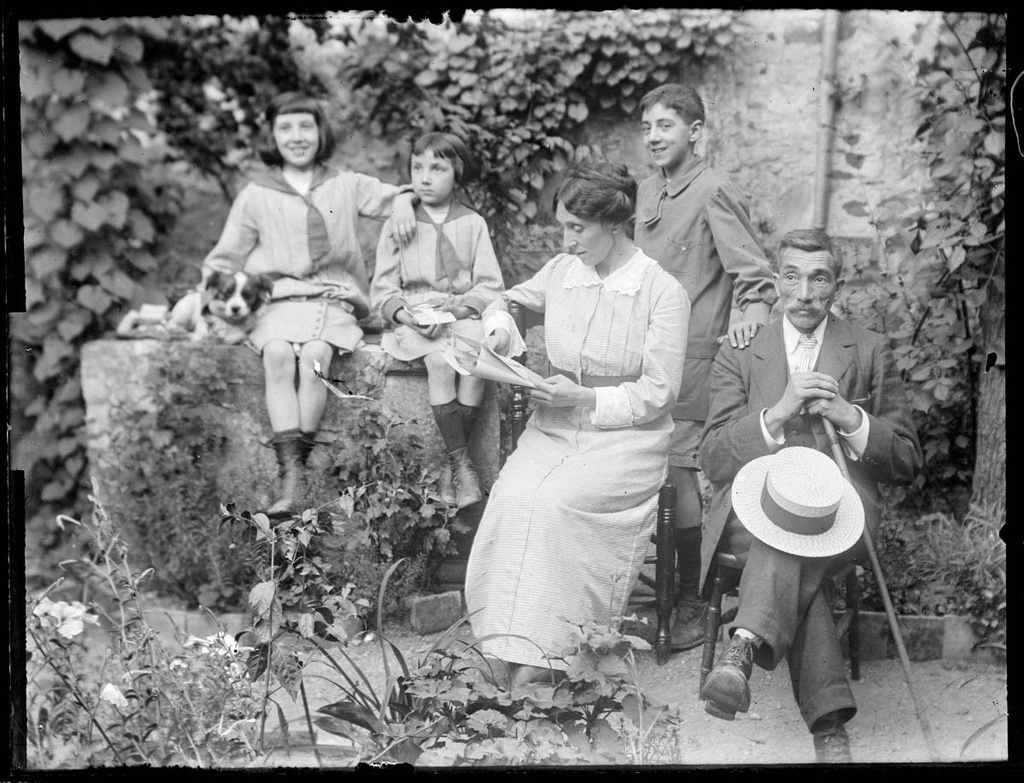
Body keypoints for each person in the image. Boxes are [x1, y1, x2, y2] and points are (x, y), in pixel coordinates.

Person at [697, 228, 923, 762]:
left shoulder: (868, 348)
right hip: (756, 503)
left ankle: (743, 645)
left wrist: (851, 417)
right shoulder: (744, 350)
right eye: (792, 277)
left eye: (818, 278)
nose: (803, 293)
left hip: (841, 509)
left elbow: (909, 460)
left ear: (836, 285)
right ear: (775, 282)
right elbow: (711, 456)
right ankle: (829, 729)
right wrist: (775, 413)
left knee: (801, 535)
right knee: (791, 546)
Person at [464, 162, 690, 687]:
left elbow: (659, 393)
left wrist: (585, 395)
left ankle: (557, 654)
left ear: (616, 223)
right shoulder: (563, 272)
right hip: (554, 428)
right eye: (562, 226)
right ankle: (504, 642)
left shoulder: (660, 292)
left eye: (576, 228)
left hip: (627, 440)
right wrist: (500, 333)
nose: (566, 240)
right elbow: (507, 302)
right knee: (514, 498)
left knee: (556, 505)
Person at [202, 91, 417, 517]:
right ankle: (292, 474)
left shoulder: (347, 183)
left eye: (306, 126)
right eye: (286, 128)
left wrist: (406, 201)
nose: (297, 137)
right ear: (273, 136)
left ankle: (298, 470)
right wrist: (211, 300)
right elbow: (223, 261)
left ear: (321, 133)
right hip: (279, 301)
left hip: (334, 299)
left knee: (316, 356)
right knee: (278, 353)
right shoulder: (256, 195)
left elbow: (399, 195)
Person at [634, 84, 780, 652]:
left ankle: (692, 601)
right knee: (655, 471)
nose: (654, 137)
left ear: (695, 132)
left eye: (666, 125)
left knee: (681, 475)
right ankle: (667, 590)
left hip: (695, 362)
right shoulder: (648, 190)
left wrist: (749, 317)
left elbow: (755, 275)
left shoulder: (713, 189)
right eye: (648, 127)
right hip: (645, 356)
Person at [370, 132, 505, 508]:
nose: (425, 177)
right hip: (414, 318)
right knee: (439, 362)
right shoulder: (398, 224)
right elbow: (382, 291)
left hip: (457, 312)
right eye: (418, 167)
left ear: (457, 174)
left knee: (476, 360)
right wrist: (405, 315)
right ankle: (464, 466)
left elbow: (491, 286)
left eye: (438, 168)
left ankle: (451, 467)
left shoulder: (473, 223)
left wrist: (459, 311)